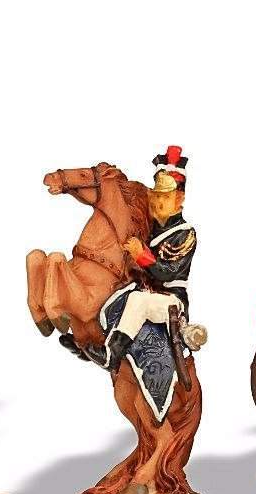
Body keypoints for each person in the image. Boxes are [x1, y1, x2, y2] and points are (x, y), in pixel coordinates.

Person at [95, 146, 197, 373]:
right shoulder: (149, 229)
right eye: (157, 195)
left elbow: (167, 272)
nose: (158, 201)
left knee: (138, 301)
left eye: (166, 197)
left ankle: (111, 356)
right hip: (144, 290)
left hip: (170, 299)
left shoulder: (185, 234)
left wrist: (140, 254)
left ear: (179, 199)